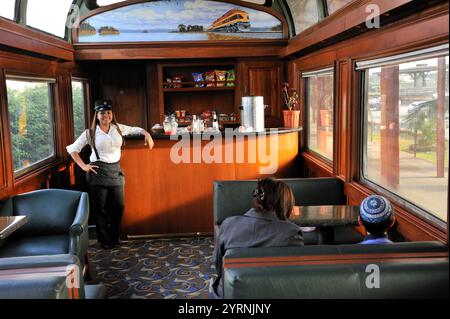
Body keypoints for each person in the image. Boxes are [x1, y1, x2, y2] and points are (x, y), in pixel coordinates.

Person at [66, 99, 154, 249]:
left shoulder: (118, 128)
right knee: (100, 209)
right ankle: (104, 241)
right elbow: (72, 149)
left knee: (119, 206)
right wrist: (83, 166)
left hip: (115, 171)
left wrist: (147, 134)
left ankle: (114, 237)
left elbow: (135, 129)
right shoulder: (90, 133)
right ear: (97, 115)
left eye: (108, 112)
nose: (105, 115)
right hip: (98, 171)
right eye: (102, 113)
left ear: (112, 114)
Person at [210, 177, 304, 298]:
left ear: (257, 199)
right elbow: (294, 275)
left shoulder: (228, 224)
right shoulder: (292, 233)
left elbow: (219, 267)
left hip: (231, 294)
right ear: (285, 203)